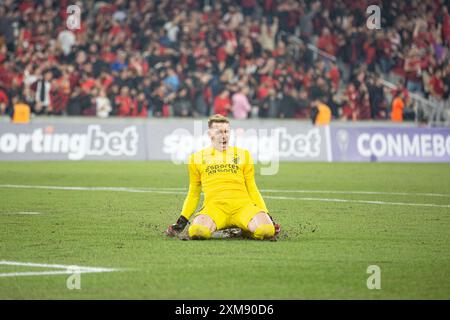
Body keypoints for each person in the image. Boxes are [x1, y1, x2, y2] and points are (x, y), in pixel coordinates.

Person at [166, 114, 280, 240]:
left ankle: (244, 230)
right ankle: (235, 228)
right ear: (210, 134)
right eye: (219, 132)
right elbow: (194, 193)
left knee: (266, 230)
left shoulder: (244, 155)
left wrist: (268, 216)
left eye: (226, 131)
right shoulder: (196, 158)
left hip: (243, 207)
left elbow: (252, 188)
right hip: (215, 208)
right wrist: (182, 221)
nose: (224, 135)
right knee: (198, 231)